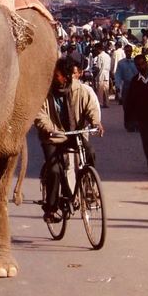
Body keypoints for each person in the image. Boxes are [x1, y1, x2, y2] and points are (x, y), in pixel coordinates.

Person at [34, 57, 104, 221]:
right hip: (53, 137)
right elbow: (39, 114)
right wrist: (49, 129)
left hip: (74, 133)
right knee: (55, 170)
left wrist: (96, 123)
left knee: (90, 152)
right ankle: (50, 209)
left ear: (65, 76)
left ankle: (88, 186)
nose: (53, 77)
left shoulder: (80, 90)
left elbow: (90, 108)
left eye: (56, 74)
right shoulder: (45, 91)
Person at [94, 43, 112, 108]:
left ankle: (100, 103)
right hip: (107, 74)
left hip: (101, 75)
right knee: (106, 90)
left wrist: (95, 70)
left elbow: (98, 67)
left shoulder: (99, 56)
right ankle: (106, 103)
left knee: (100, 90)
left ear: (98, 49)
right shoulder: (108, 56)